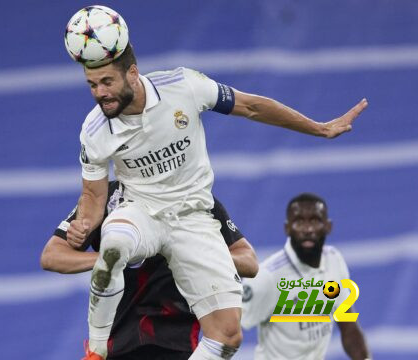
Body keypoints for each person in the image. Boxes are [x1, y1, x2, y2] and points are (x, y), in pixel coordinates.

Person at [65, 18, 368, 359]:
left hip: (193, 218)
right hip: (141, 212)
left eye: (106, 82)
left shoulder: (183, 86)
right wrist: (85, 225)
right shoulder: (94, 129)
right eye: (92, 85)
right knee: (115, 244)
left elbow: (252, 106)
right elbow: (93, 196)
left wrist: (318, 128)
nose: (100, 93)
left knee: (227, 336)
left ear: (132, 73)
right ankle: (94, 351)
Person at [41, 181, 259, 360]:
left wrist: (195, 254)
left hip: (176, 345)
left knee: (228, 337)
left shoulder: (196, 200)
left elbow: (249, 261)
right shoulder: (107, 199)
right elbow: (52, 256)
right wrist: (113, 257)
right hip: (116, 344)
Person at [241, 193, 370, 359]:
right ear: (287, 228)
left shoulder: (334, 261)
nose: (308, 229)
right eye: (299, 221)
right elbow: (227, 330)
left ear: (328, 226)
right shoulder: (267, 277)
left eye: (315, 221)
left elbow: (349, 327)